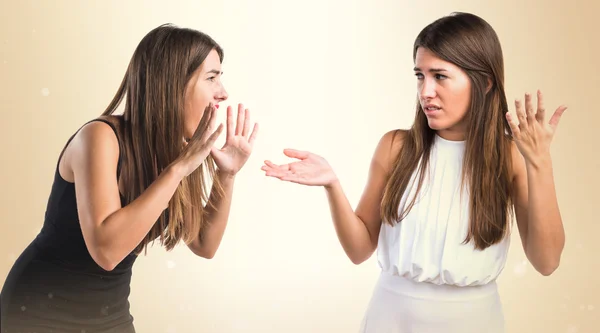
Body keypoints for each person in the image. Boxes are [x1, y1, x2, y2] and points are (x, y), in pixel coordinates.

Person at [262, 12, 566, 333]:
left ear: (485, 82)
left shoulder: (510, 156)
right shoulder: (395, 147)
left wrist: (540, 163)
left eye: (440, 76)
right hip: (389, 320)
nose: (426, 92)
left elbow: (547, 262)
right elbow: (358, 249)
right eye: (420, 76)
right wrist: (332, 185)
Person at [1, 23, 258, 333]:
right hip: (37, 312)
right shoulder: (99, 138)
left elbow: (204, 244)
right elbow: (107, 252)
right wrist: (178, 169)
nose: (223, 93)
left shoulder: (177, 150)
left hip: (109, 315)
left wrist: (226, 175)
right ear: (173, 82)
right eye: (212, 78)